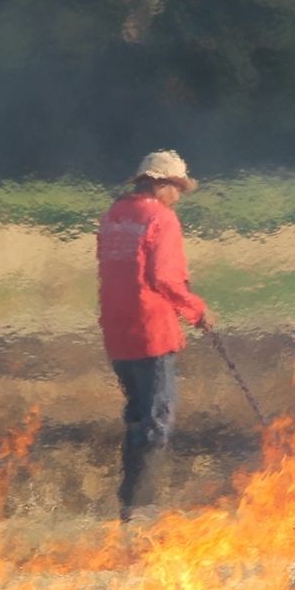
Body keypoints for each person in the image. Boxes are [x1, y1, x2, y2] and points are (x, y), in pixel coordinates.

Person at [97, 149, 215, 521]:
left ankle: (130, 500)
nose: (178, 196)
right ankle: (141, 506)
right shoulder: (161, 219)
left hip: (117, 331)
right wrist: (197, 310)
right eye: (176, 187)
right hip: (152, 331)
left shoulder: (113, 217)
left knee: (136, 414)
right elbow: (164, 278)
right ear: (160, 184)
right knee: (157, 418)